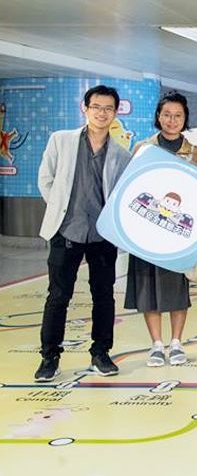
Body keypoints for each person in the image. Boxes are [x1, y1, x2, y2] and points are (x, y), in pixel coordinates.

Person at [34, 85, 132, 382]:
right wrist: (61, 209)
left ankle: (101, 352)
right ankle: (50, 356)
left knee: (103, 295)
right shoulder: (61, 141)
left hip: (102, 235)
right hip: (66, 231)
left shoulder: (120, 153)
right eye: (96, 107)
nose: (102, 113)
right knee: (58, 295)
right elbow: (45, 179)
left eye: (108, 109)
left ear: (115, 113)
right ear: (85, 108)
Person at [125, 92, 197, 368]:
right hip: (146, 230)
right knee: (149, 287)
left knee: (178, 287)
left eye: (178, 115)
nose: (172, 120)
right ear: (158, 116)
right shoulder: (142, 148)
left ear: (185, 119)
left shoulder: (194, 152)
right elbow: (132, 188)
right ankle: (157, 344)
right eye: (167, 114)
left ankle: (177, 342)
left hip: (177, 233)